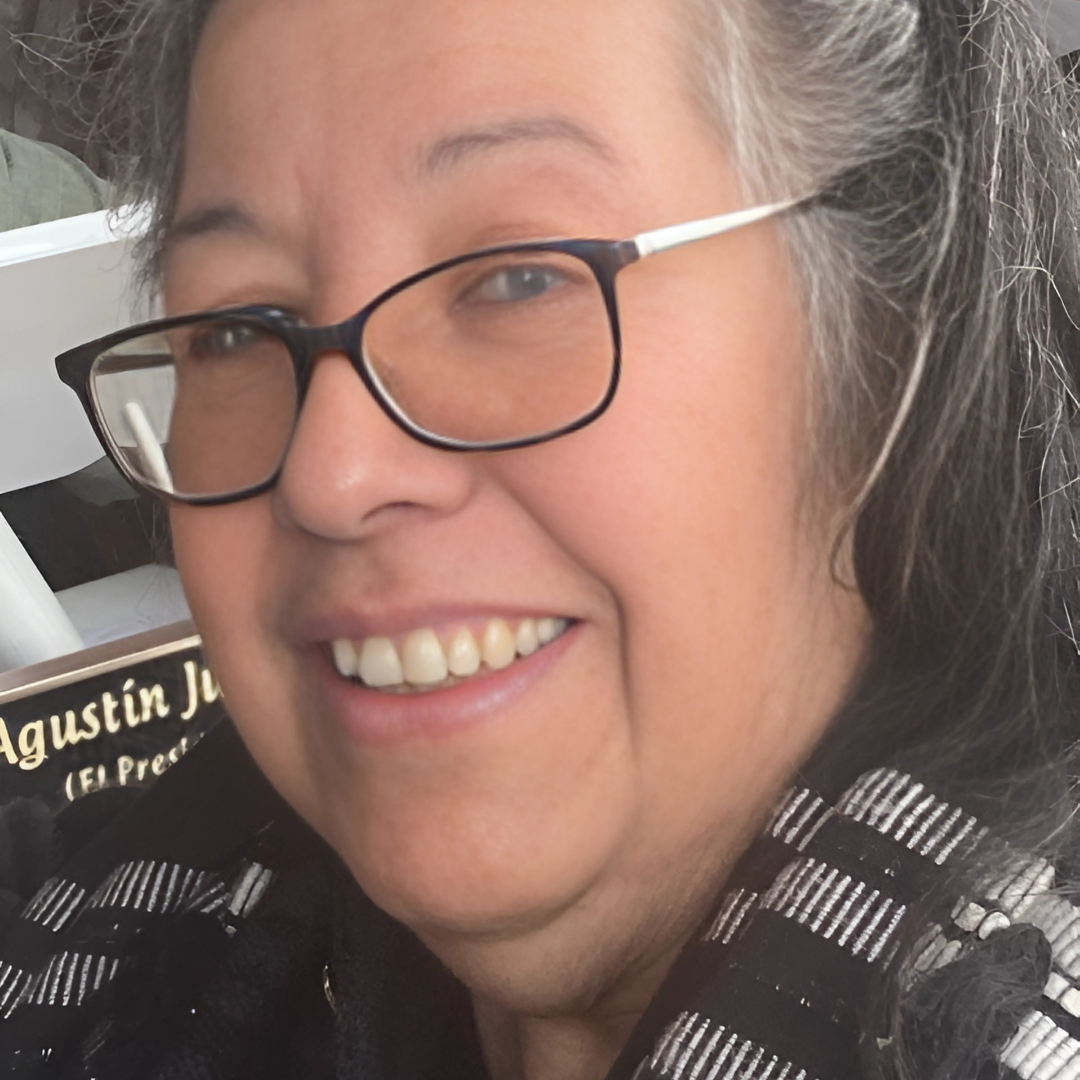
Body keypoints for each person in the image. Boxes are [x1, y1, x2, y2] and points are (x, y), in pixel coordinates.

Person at [3, 0, 1080, 1076]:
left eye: (519, 276)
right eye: (234, 326)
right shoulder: (143, 905)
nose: (331, 475)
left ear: (898, 344)